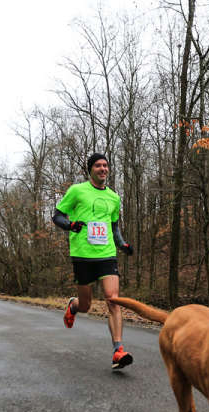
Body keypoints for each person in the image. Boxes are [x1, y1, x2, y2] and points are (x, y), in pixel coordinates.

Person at [52, 153, 134, 369]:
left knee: (113, 299)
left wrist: (123, 244)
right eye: (98, 165)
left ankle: (118, 350)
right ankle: (74, 306)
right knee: (87, 305)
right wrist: (70, 225)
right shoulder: (77, 191)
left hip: (106, 255)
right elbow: (57, 216)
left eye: (105, 165)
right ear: (90, 169)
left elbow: (114, 226)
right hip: (82, 254)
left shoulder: (114, 197)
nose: (103, 169)